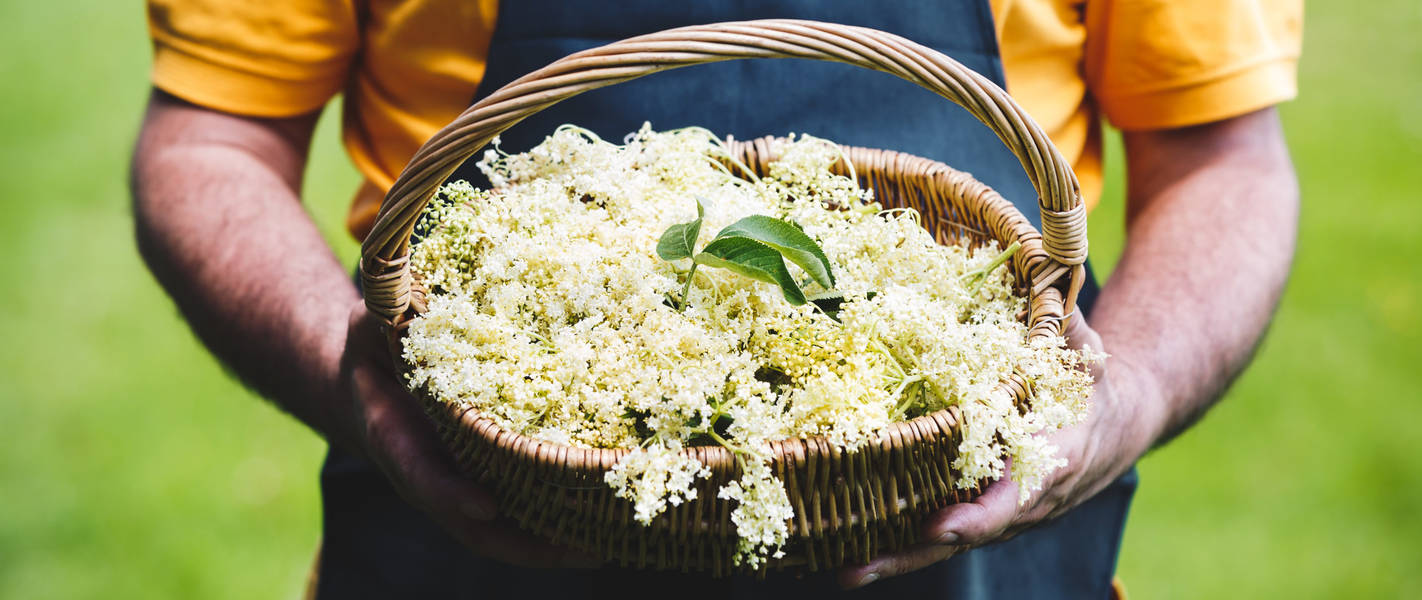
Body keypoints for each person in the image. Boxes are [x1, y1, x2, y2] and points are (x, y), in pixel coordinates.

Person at [132, 1, 1302, 598]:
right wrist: (361, 384)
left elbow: (1223, 163)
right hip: (468, 521)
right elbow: (213, 141)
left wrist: (1123, 396)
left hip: (975, 544)